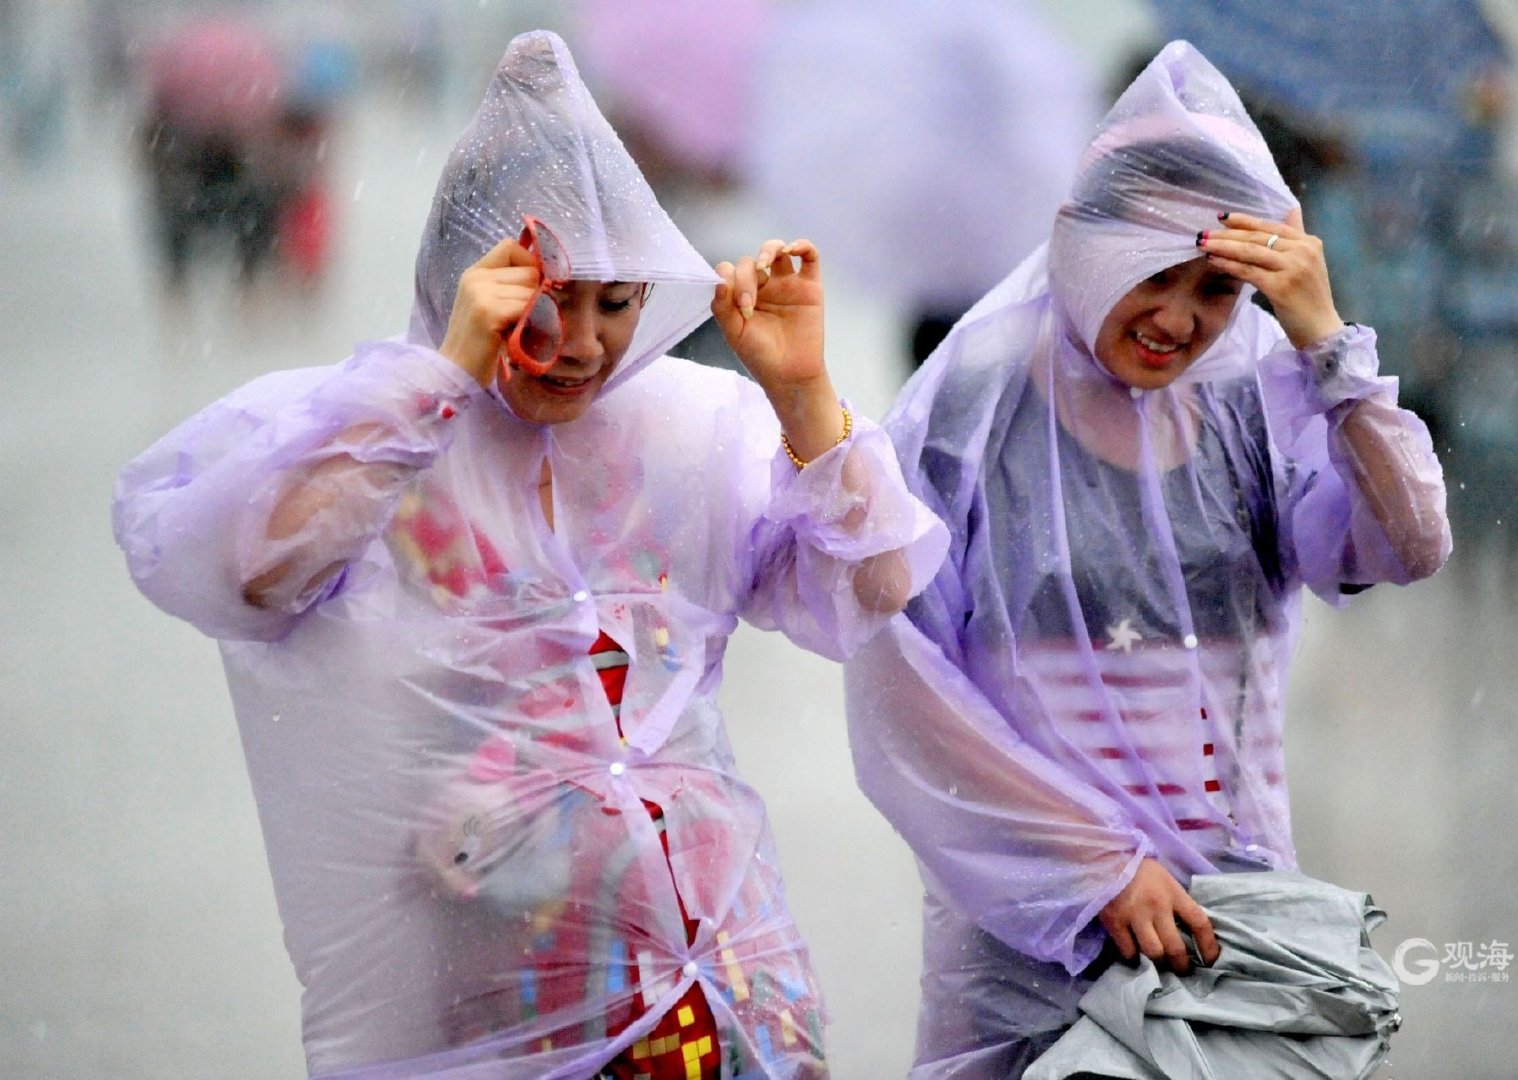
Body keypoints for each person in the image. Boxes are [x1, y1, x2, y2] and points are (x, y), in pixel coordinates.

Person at [114, 31, 944, 1079]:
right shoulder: (382, 438)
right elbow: (249, 577)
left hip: (720, 969)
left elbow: (873, 589)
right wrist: (444, 380)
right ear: (474, 282)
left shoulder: (686, 429)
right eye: (552, 297)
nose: (588, 343)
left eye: (618, 300)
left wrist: (803, 396)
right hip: (504, 979)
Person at [843, 40, 1451, 1078]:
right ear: (1088, 241)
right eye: (1153, 273)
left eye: (1218, 289)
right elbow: (904, 684)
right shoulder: (974, 407)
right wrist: (1091, 870)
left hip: (1225, 914)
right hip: (1030, 922)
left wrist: (1328, 349)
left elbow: (1403, 546)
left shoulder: (1255, 391)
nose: (1178, 319)